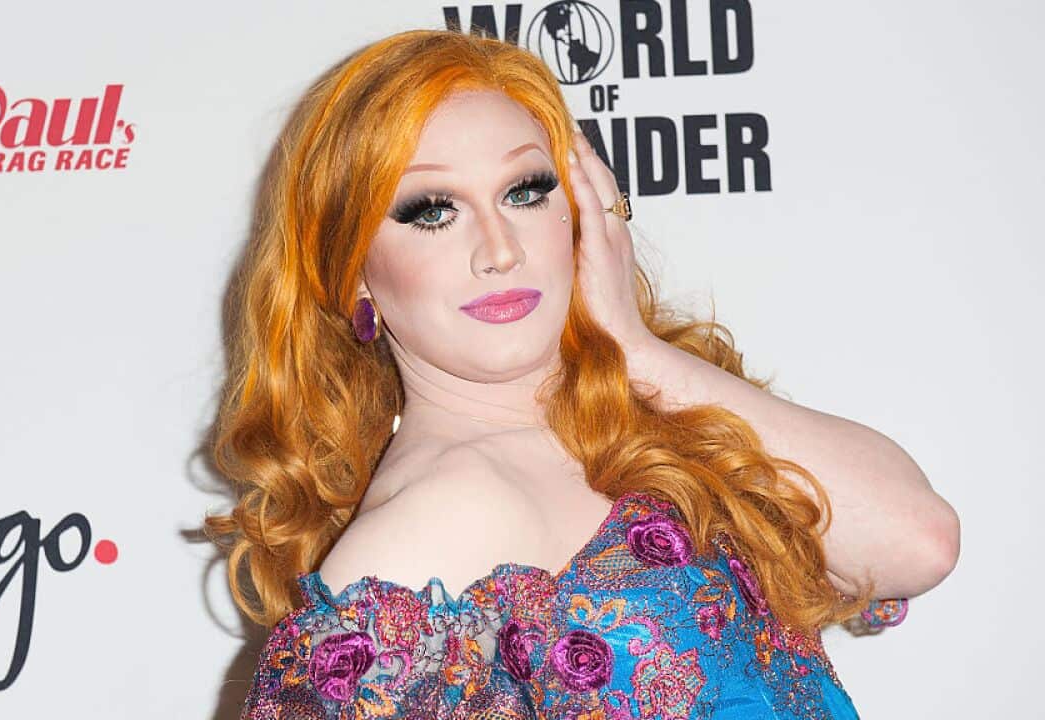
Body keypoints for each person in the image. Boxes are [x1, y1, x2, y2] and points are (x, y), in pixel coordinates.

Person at [203, 28, 959, 719]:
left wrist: (636, 350)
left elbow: (919, 543)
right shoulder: (424, 531)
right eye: (432, 211)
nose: (500, 249)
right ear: (354, 275)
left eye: (525, 192)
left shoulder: (654, 413)